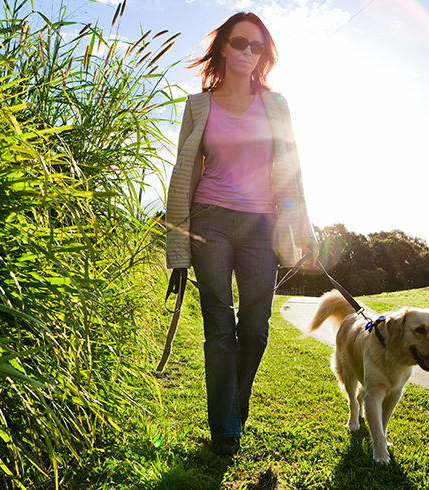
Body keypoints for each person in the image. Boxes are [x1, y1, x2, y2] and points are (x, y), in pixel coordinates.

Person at [163, 12, 319, 456]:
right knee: (218, 326)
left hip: (261, 226)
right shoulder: (198, 106)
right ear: (223, 49)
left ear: (263, 56)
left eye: (256, 46)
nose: (247, 52)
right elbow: (183, 175)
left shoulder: (276, 105)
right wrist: (178, 250)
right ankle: (226, 432)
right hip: (209, 218)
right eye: (239, 43)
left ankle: (236, 402)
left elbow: (292, 169)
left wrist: (302, 228)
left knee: (255, 328)